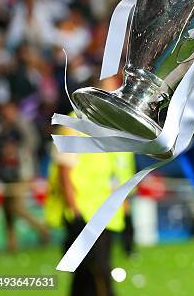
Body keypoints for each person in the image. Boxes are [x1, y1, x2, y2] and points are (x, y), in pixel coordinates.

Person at [45, 79, 135, 296]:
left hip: (105, 212)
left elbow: (117, 174)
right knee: (99, 272)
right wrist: (74, 213)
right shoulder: (75, 125)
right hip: (84, 213)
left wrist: (127, 213)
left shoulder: (114, 127)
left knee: (86, 275)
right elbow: (64, 174)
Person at [0, 101, 49, 251]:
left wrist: (15, 150)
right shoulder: (3, 127)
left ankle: (42, 229)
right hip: (6, 173)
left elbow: (34, 143)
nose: (5, 114)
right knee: (6, 209)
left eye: (8, 110)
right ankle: (11, 244)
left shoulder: (23, 124)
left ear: (14, 110)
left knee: (16, 206)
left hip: (22, 172)